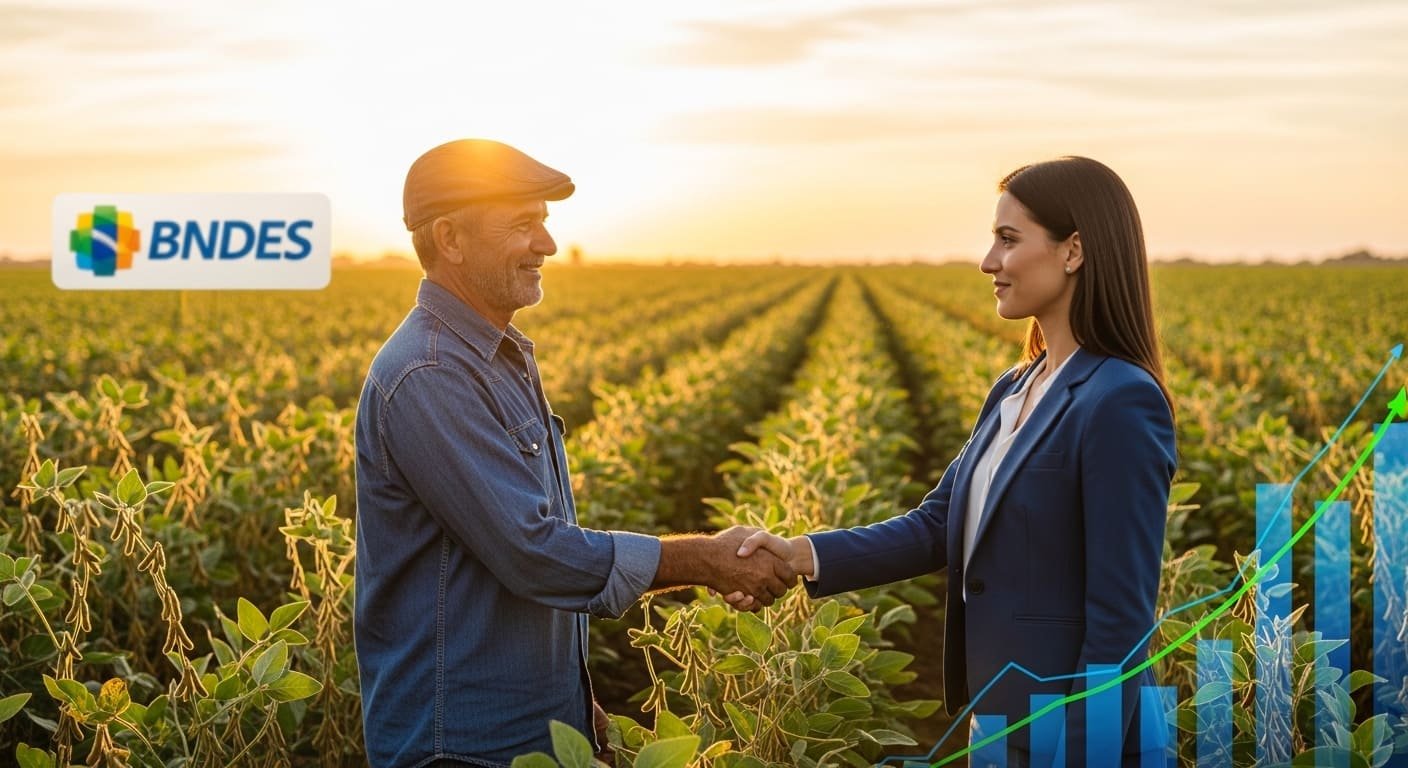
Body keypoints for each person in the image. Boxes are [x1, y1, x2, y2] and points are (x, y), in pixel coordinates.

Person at [353, 138, 796, 768]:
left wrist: (571, 706)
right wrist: (704, 559)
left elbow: (523, 556)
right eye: (523, 225)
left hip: (522, 728)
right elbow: (533, 552)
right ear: (450, 239)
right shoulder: (431, 374)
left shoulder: (495, 355)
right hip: (462, 745)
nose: (548, 245)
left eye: (545, 223)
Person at [731, 156, 1177, 766]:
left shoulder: (1119, 399)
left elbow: (1121, 622)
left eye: (1008, 239)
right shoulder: (1015, 387)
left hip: (1067, 737)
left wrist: (1076, 753)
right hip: (995, 719)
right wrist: (802, 555)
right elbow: (939, 525)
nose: (988, 261)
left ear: (1073, 251)